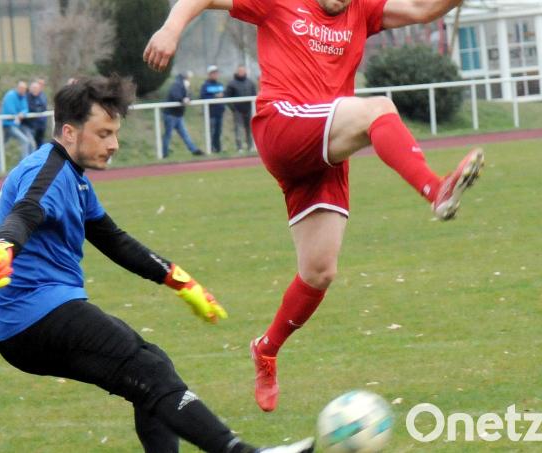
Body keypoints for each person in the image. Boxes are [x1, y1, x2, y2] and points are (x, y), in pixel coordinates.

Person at [144, 0, 484, 413]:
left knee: (320, 271)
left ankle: (266, 349)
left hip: (326, 146)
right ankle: (436, 189)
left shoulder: (362, 9)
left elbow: (422, 9)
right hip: (283, 125)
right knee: (379, 109)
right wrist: (171, 28)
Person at [0, 75, 314, 453]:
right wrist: (5, 246)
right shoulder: (49, 174)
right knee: (148, 370)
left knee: (152, 367)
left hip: (23, 319)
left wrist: (181, 281)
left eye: (115, 133)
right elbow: (26, 212)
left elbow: (113, 240)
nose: (114, 144)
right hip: (30, 312)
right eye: (103, 133)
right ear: (69, 132)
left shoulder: (73, 178)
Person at [163, 71, 202, 157]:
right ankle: (164, 153)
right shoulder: (177, 85)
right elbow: (175, 95)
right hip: (171, 115)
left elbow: (189, 96)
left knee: (184, 134)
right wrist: (183, 99)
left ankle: (194, 150)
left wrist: (188, 99)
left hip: (178, 115)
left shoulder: (185, 86)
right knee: (168, 135)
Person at [224, 65, 257, 153]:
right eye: (240, 71)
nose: (241, 72)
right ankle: (240, 147)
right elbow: (227, 97)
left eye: (243, 70)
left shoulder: (250, 82)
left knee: (249, 128)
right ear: (237, 72)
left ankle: (250, 146)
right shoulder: (232, 83)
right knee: (238, 128)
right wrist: (233, 108)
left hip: (248, 109)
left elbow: (255, 95)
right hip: (237, 110)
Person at [1, 81, 36, 160]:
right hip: (8, 124)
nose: (23, 90)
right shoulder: (10, 95)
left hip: (17, 124)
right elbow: (10, 109)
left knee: (31, 142)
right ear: (17, 88)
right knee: (24, 141)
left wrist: (22, 114)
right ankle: (25, 164)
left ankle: (30, 162)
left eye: (24, 88)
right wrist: (18, 114)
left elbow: (25, 109)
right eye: (21, 88)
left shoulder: (23, 97)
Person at [200, 65, 225, 153]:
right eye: (213, 73)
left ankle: (218, 149)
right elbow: (203, 97)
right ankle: (210, 148)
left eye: (216, 73)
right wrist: (215, 96)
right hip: (210, 113)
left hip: (219, 112)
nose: (215, 75)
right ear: (209, 74)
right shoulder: (205, 85)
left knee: (218, 132)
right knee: (211, 131)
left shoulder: (220, 85)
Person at [23, 79, 48, 148]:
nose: (35, 90)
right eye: (33, 88)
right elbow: (31, 108)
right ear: (30, 88)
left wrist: (38, 109)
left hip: (41, 125)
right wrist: (37, 109)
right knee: (30, 144)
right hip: (30, 125)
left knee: (40, 144)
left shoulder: (42, 96)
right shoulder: (27, 96)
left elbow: (43, 107)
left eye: (36, 88)